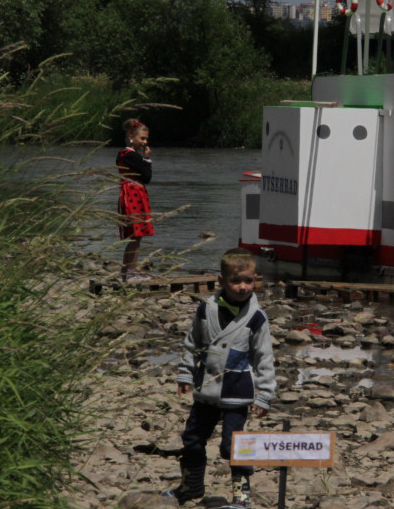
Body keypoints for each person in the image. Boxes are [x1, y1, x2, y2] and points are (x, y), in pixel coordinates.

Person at [162, 248, 275, 509]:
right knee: (192, 438)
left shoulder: (256, 317)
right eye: (236, 281)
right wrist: (186, 373)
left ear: (255, 279)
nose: (243, 287)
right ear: (221, 280)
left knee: (233, 445)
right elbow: (192, 343)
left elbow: (264, 357)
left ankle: (241, 497)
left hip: (238, 392)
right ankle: (191, 486)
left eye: (248, 281)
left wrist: (265, 394)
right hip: (206, 389)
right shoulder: (206, 309)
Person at [117, 118, 154, 283]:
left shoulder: (123, 154)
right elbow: (147, 177)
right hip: (134, 195)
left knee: (134, 236)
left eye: (146, 139)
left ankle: (126, 271)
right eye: (142, 138)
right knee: (137, 236)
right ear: (131, 137)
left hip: (129, 194)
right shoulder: (132, 156)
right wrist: (147, 159)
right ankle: (131, 273)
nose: (145, 142)